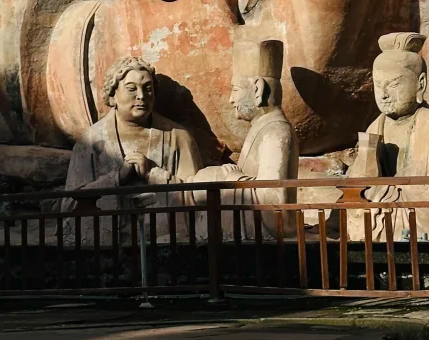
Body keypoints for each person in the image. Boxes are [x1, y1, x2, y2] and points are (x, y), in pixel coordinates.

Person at [345, 32, 429, 240]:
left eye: (394, 84)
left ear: (421, 84)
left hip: (416, 220)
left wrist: (384, 194)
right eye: (378, 84)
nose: (383, 94)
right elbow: (359, 191)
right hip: (382, 216)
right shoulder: (376, 126)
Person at [64, 56, 201, 205]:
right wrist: (117, 178)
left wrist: (153, 176)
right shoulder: (90, 141)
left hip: (165, 227)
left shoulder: (178, 137)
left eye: (148, 88)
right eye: (131, 89)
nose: (141, 96)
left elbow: (197, 196)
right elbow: (70, 206)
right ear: (112, 96)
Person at [194, 40, 299, 232]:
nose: (230, 99)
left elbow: (273, 202)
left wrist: (233, 178)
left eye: (235, 90)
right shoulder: (262, 127)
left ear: (258, 90)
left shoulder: (276, 132)